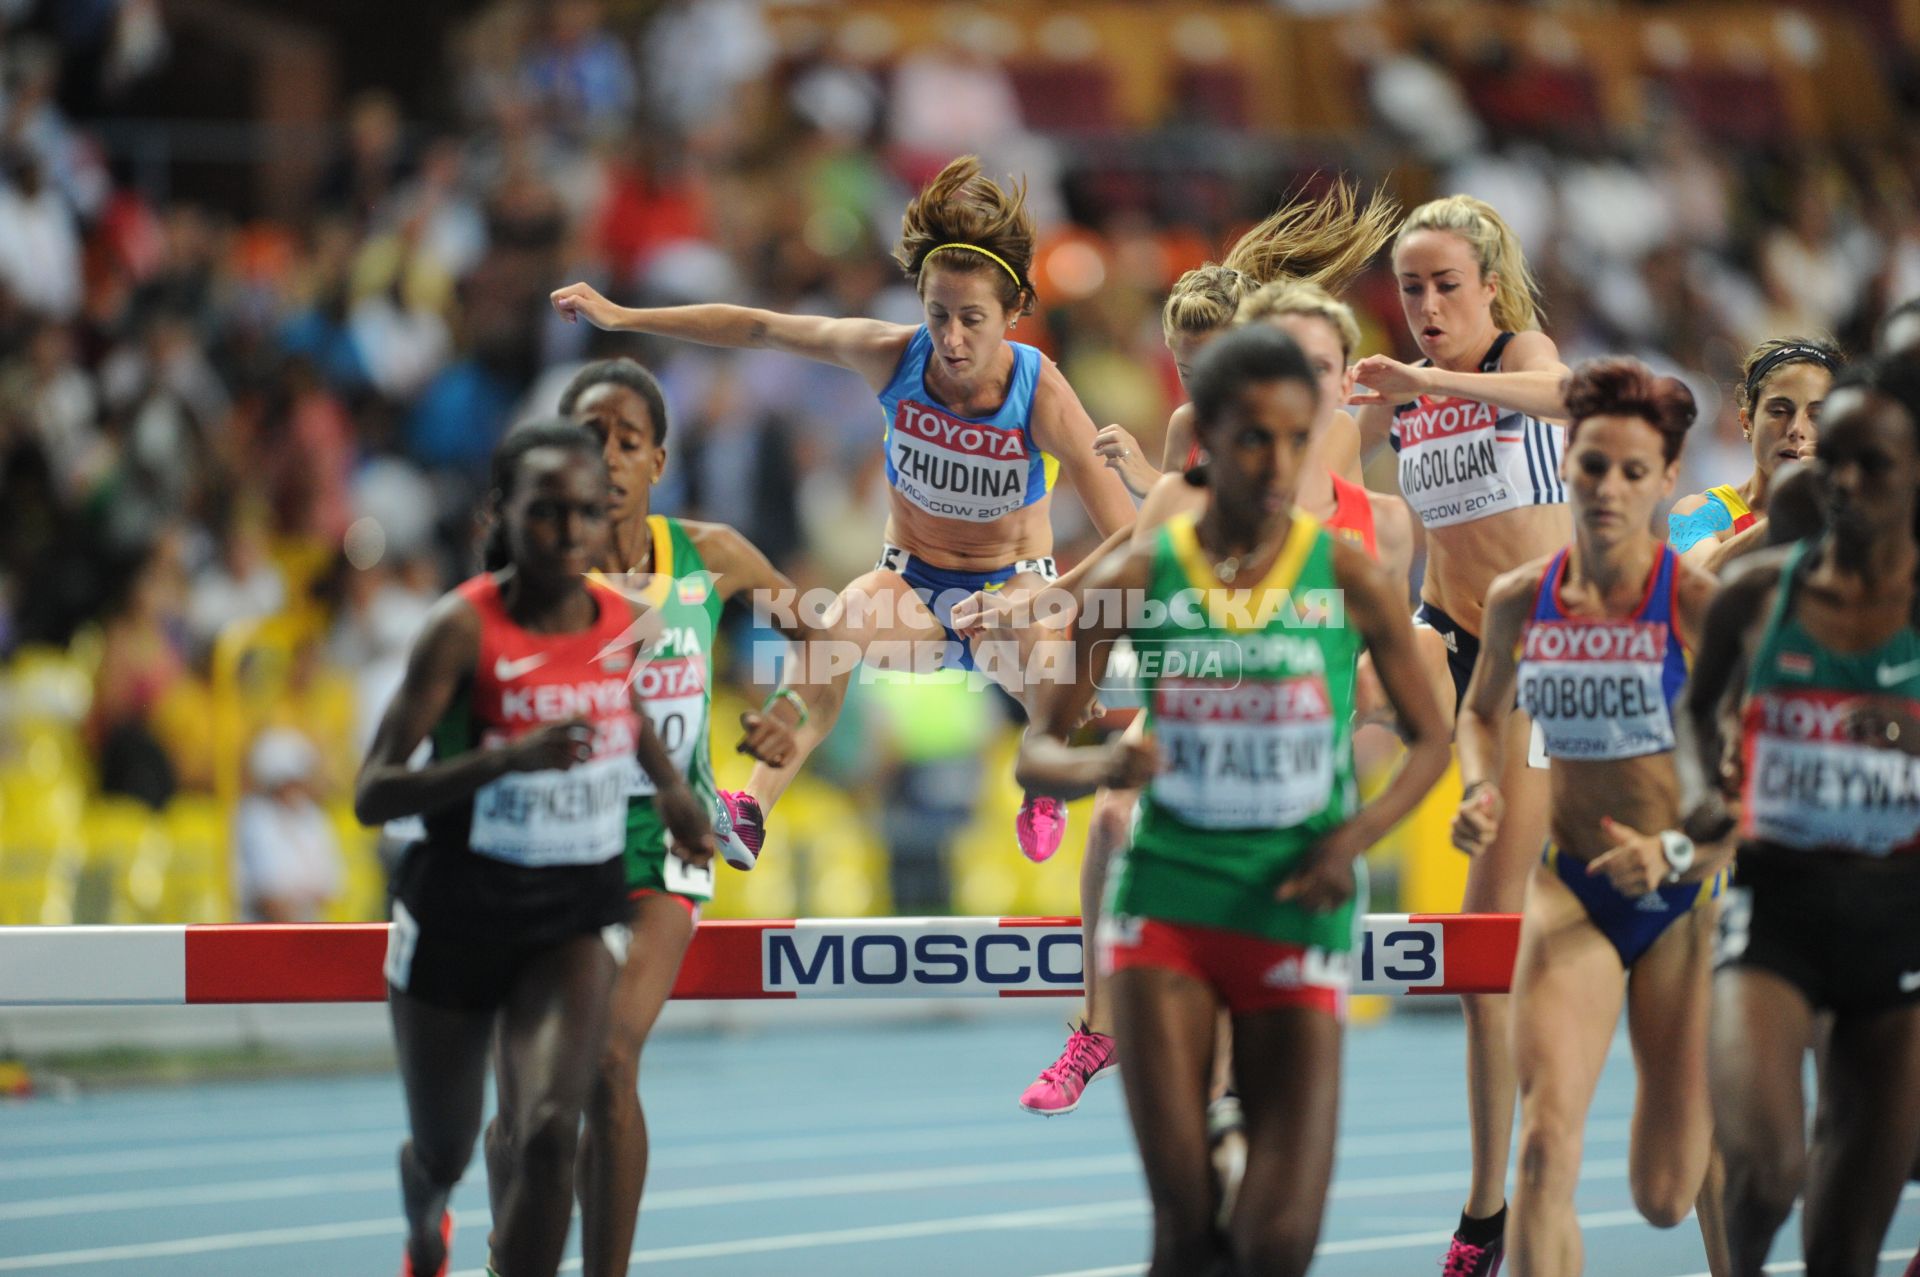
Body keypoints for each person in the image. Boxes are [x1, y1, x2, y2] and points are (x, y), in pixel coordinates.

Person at [551, 155, 1136, 866]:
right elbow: (760, 328)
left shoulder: (1041, 394)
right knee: (830, 635)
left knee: (1054, 661)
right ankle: (751, 811)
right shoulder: (893, 355)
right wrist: (625, 316)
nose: (952, 341)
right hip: (912, 587)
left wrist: (1044, 597)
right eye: (939, 315)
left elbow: (1132, 532)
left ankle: (1041, 781)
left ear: (1014, 312)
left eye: (973, 320)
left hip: (1011, 590)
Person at [1017, 324, 1451, 1277]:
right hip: (1168, 902)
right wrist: (1098, 771)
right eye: (1256, 437)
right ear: (1206, 434)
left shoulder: (1348, 573)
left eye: (1300, 438)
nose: (1280, 463)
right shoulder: (1140, 574)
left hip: (1298, 902)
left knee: (1276, 1244)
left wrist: (1357, 838)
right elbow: (1038, 749)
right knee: (1184, 1232)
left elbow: (1431, 739)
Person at [1017, 191, 1408, 1118]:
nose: (1199, 391)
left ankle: (1237, 1079)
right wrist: (1059, 591)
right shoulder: (1193, 433)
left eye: (1212, 368)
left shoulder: (1337, 436)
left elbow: (1329, 540)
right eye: (1185, 372)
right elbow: (1161, 540)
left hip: (1295, 668)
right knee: (1113, 821)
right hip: (1205, 656)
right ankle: (1094, 1026)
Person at [354, 421, 719, 1277]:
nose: (568, 533)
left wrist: (674, 794)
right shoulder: (459, 629)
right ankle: (427, 1213)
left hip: (571, 909)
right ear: (502, 513)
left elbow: (622, 711)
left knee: (553, 1131)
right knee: (446, 1148)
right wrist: (505, 759)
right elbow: (373, 792)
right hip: (459, 912)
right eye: (546, 512)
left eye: (585, 513)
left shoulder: (625, 618)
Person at [484, 358, 806, 1277]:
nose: (611, 457)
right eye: (591, 438)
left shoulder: (710, 554)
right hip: (550, 837)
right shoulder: (526, 572)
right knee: (525, 1106)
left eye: (629, 441)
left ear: (659, 459)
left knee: (607, 1059)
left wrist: (786, 716)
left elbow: (823, 641)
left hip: (666, 839)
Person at [1451, 358, 1729, 1277]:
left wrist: (1677, 848)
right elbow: (1482, 711)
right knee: (1544, 1151)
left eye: (1633, 472)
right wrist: (1480, 784)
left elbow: (1761, 775)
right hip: (1568, 894)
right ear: (1567, 462)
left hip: (1684, 903)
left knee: (1664, 1191)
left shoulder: (1697, 605)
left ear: (1666, 481)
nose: (1608, 488)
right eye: (1593, 466)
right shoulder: (1519, 599)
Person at [1350, 193, 1573, 1273]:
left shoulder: (1514, 353)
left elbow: (1567, 392)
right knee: (1351, 681)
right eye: (1411, 291)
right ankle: (1310, 881)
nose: (1428, 308)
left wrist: (1430, 379)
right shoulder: (1396, 398)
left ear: (1488, 284)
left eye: (1446, 286)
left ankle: (1488, 1204)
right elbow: (1338, 500)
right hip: (1442, 637)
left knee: (1489, 941)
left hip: (1538, 663)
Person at [1673, 354, 1920, 1277]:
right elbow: (1691, 679)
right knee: (1768, 1168)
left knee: (1854, 1202)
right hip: (1768, 900)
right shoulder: (1740, 573)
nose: (1822, 456)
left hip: (1894, 910)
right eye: (1784, 415)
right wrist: (1703, 796)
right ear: (1747, 418)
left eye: (1864, 457)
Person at [1667, 338, 1842, 574]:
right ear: (1747, 421)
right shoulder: (1699, 511)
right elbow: (1696, 580)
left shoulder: (1850, 516)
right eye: (1779, 411)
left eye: (1817, 416)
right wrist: (1792, 511)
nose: (1796, 429)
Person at [233, 727, 342, 923]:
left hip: (312, 931)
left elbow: (331, 888)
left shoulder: (314, 817)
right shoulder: (254, 818)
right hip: (263, 933)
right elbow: (269, 897)